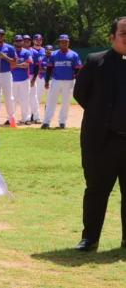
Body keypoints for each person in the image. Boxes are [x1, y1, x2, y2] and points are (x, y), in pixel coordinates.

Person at [72, 16, 126, 252]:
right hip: (101, 141)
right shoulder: (96, 61)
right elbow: (80, 93)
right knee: (96, 190)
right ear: (112, 37)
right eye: (124, 33)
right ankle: (90, 238)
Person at [42, 34, 82, 129]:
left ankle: (62, 122)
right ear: (59, 43)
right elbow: (49, 69)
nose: (64, 43)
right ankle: (46, 122)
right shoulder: (54, 54)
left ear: (68, 43)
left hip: (69, 82)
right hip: (56, 81)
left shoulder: (74, 55)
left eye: (65, 42)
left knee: (66, 102)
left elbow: (77, 70)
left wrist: (78, 82)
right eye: (62, 42)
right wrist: (47, 81)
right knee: (51, 101)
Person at [9, 35, 32, 125]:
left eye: (20, 40)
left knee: (25, 99)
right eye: (17, 41)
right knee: (12, 100)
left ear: (22, 42)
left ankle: (26, 118)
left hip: (24, 80)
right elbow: (10, 65)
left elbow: (27, 65)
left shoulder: (26, 52)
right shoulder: (11, 52)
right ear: (14, 42)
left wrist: (16, 65)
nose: (18, 42)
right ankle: (11, 119)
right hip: (12, 79)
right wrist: (20, 65)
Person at [28, 34, 46, 124]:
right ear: (33, 40)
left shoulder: (44, 51)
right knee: (32, 96)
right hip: (32, 75)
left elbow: (47, 63)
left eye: (40, 39)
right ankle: (32, 114)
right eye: (37, 39)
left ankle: (33, 114)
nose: (38, 41)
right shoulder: (30, 50)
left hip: (42, 76)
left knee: (38, 96)